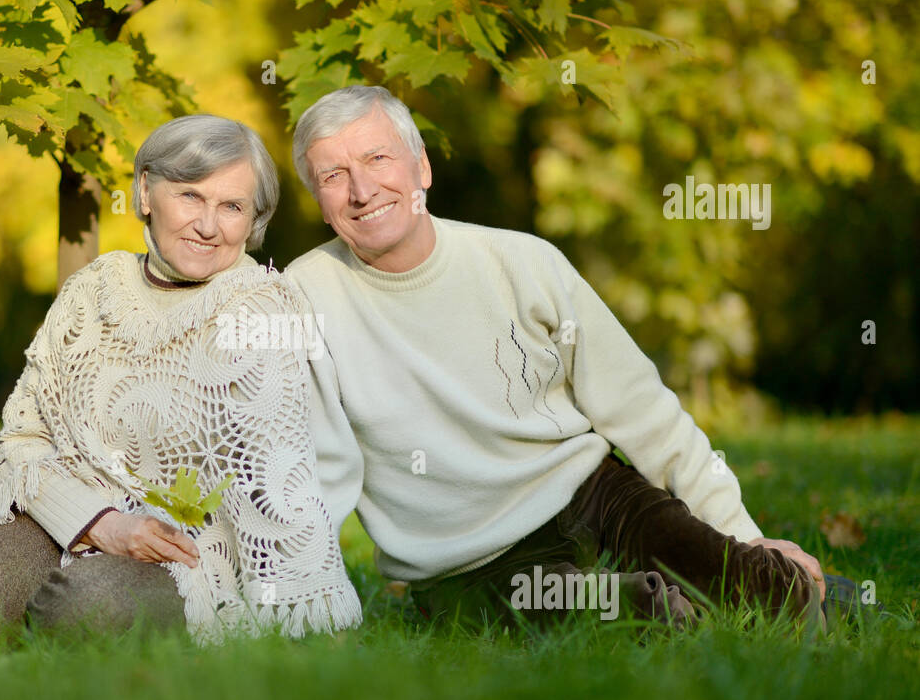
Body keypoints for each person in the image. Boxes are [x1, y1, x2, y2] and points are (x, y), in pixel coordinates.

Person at [282, 84, 831, 636]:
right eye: (333, 176)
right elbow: (298, 462)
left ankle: (795, 590)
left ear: (422, 167)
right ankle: (646, 603)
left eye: (378, 158)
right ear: (321, 205)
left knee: (758, 586)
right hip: (471, 565)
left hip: (593, 497)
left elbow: (640, 408)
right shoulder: (300, 301)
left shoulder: (522, 263)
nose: (361, 189)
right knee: (622, 617)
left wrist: (738, 533)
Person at [0, 115, 361, 645]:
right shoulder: (92, 291)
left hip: (189, 558)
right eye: (190, 195)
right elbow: (24, 441)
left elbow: (285, 478)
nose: (209, 225)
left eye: (232, 206)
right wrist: (100, 524)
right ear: (146, 194)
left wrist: (300, 608)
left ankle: (25, 643)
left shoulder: (261, 310)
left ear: (253, 219)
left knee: (84, 611)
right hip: (67, 515)